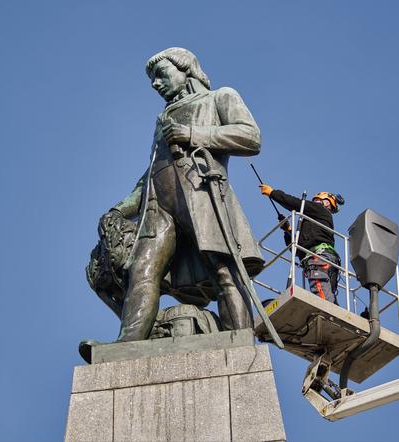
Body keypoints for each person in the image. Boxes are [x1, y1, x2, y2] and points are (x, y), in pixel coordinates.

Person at [103, 48, 264, 342]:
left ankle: (239, 339)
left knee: (224, 271)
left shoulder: (219, 97)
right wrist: (120, 209)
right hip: (158, 204)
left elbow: (251, 137)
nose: (155, 84)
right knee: (142, 270)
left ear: (185, 69)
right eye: (152, 79)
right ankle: (128, 343)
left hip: (202, 194)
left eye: (160, 75)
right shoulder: (162, 118)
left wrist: (192, 135)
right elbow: (153, 169)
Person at [259, 185, 344, 304]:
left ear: (326, 203)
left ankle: (328, 315)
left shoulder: (321, 210)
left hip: (320, 257)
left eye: (317, 201)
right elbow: (297, 249)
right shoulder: (314, 223)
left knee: (321, 290)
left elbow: (297, 204)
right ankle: (332, 315)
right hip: (318, 257)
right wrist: (288, 231)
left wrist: (273, 193)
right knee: (325, 291)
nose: (314, 203)